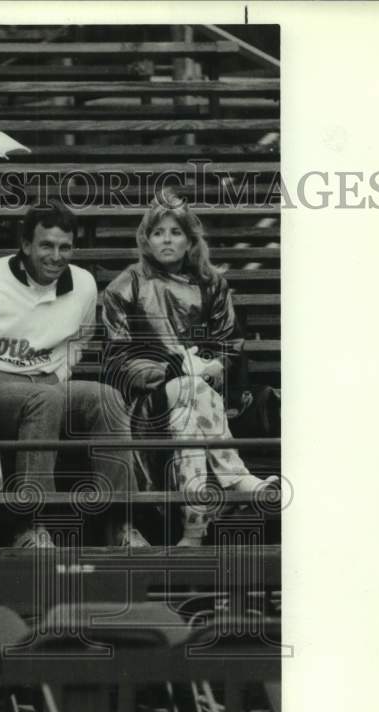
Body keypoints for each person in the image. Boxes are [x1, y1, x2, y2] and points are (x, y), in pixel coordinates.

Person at [0, 202, 149, 549]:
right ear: (26, 244)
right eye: (46, 245)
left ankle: (120, 525)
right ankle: (31, 526)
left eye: (65, 247)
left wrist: (60, 372)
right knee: (45, 399)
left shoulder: (83, 284)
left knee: (107, 397)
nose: (56, 256)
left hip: (45, 384)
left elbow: (81, 337)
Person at [101, 195, 279, 547]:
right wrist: (171, 368)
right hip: (146, 398)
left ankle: (194, 528)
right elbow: (116, 359)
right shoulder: (126, 286)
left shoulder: (211, 283)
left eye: (175, 232)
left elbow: (230, 345)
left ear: (190, 239)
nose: (166, 240)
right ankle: (239, 479)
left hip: (204, 396)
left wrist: (212, 367)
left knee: (190, 401)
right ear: (146, 239)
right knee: (187, 391)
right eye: (157, 232)